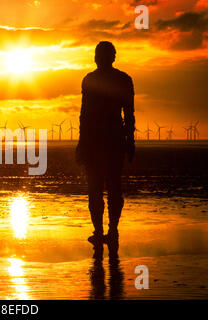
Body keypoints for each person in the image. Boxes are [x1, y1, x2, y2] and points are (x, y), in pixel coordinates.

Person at [75, 41, 135, 246]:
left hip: (100, 140)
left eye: (99, 55)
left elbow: (85, 115)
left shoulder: (91, 80)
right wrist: (130, 141)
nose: (97, 58)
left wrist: (81, 144)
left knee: (100, 188)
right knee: (109, 187)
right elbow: (129, 115)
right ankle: (107, 231)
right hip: (109, 140)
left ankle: (105, 231)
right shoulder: (123, 80)